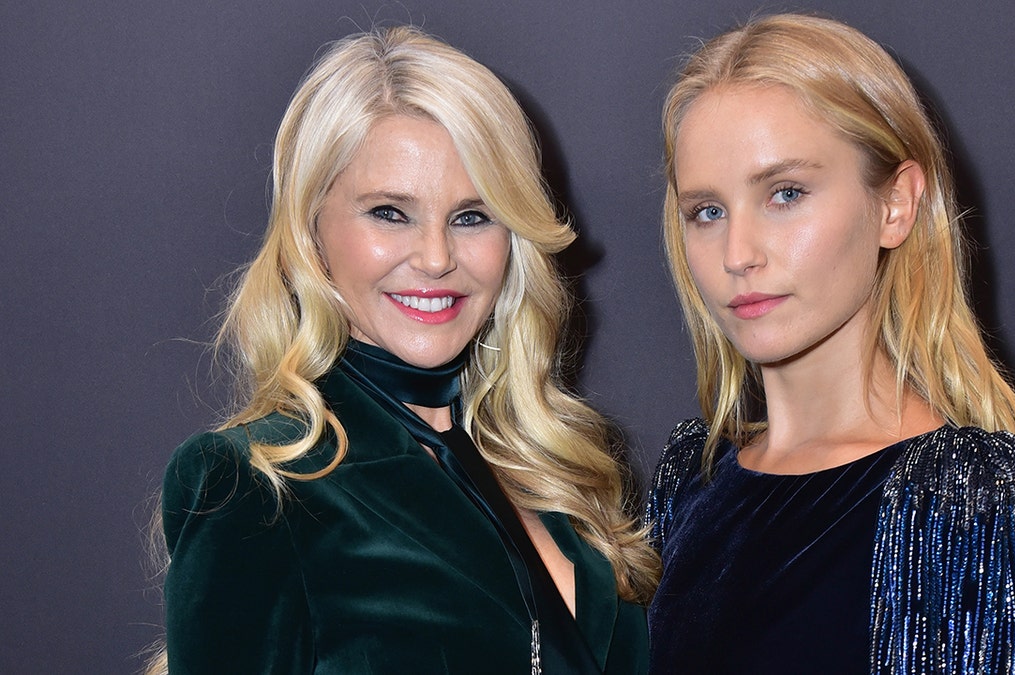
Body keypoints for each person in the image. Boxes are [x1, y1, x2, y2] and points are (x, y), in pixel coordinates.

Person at [148, 26, 657, 674]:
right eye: (390, 212)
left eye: (473, 215)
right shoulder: (254, 485)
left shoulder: (565, 479)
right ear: (312, 231)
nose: (438, 257)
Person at [645, 14, 1015, 674]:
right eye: (706, 211)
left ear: (895, 204)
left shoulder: (956, 492)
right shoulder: (694, 476)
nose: (738, 254)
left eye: (786, 193)